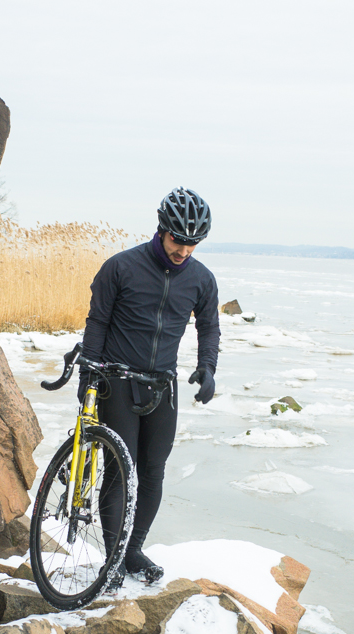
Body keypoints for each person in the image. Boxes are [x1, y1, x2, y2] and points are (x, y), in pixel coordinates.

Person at [81, 187, 220, 584]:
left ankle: (132, 549)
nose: (184, 250)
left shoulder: (201, 279)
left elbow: (209, 326)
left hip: (163, 387)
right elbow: (97, 321)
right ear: (162, 229)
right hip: (118, 382)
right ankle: (113, 559)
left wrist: (207, 368)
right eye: (178, 240)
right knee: (119, 472)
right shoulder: (121, 267)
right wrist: (89, 374)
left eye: (193, 243)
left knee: (153, 473)